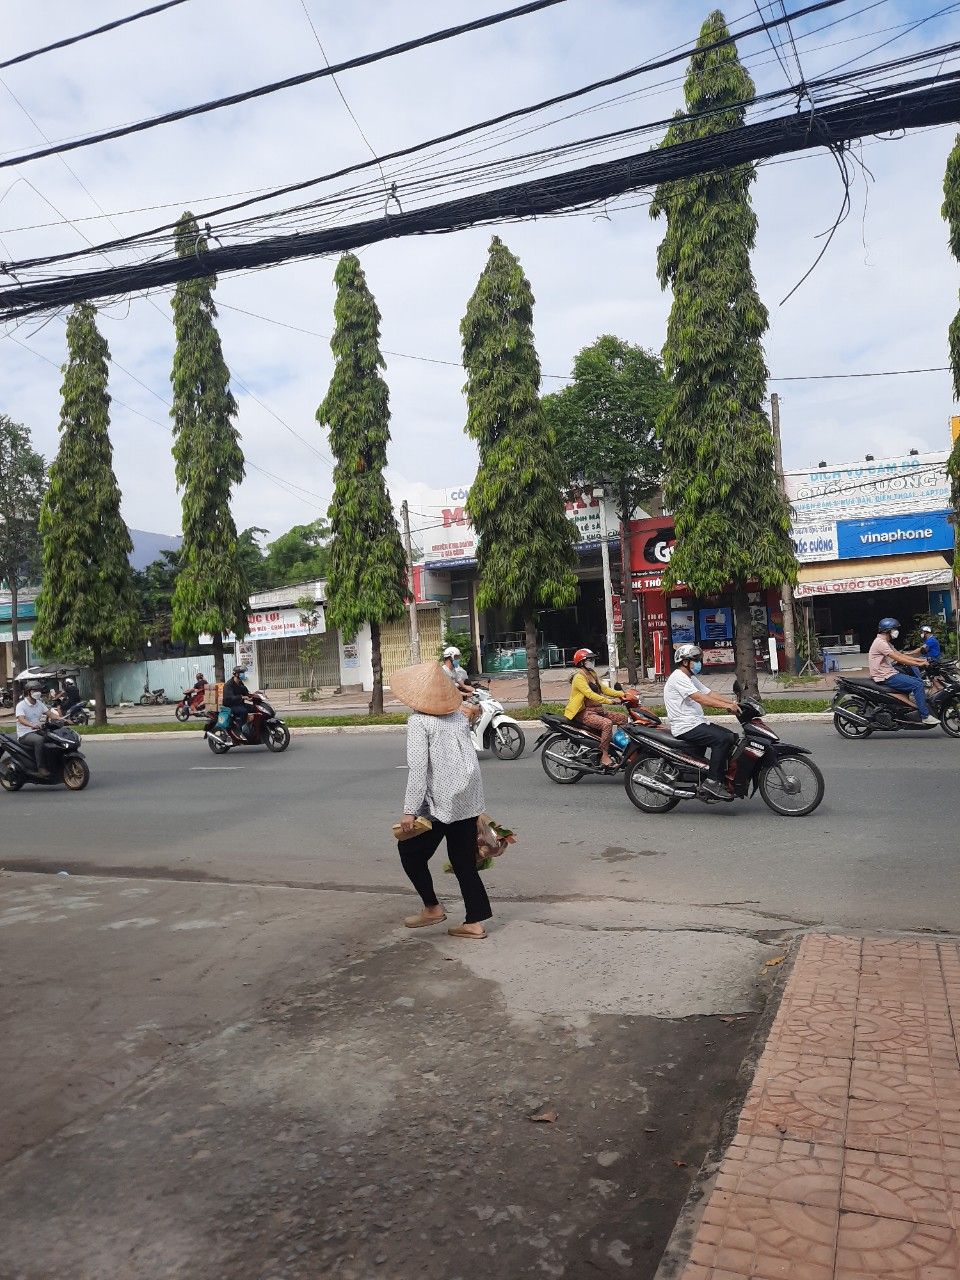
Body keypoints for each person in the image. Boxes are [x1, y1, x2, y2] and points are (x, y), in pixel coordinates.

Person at [393, 661, 492, 940]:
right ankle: (474, 922)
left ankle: (432, 908)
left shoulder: (418, 722)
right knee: (463, 862)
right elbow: (469, 760)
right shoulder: (459, 717)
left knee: (409, 852)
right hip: (466, 799)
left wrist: (410, 810)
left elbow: (418, 769)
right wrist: (477, 805)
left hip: (440, 803)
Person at [663, 644, 740, 801]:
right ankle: (712, 782)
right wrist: (726, 707)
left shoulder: (689, 678)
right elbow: (700, 698)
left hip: (696, 723)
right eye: (696, 660)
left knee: (731, 736)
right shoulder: (678, 677)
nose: (699, 663)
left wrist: (732, 703)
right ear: (685, 662)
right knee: (722, 739)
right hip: (686, 726)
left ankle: (722, 777)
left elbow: (709, 693)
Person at [563, 647, 627, 768]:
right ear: (582, 662)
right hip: (584, 713)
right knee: (607, 724)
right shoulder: (579, 677)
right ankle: (604, 755)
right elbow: (589, 694)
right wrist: (609, 701)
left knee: (623, 718)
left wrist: (623, 694)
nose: (592, 662)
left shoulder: (592, 673)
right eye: (589, 660)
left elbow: (604, 689)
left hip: (598, 711)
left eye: (592, 659)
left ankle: (621, 748)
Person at [869, 617, 937, 724]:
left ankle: (907, 709)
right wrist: (920, 663)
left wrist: (920, 661)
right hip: (885, 676)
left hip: (888, 673)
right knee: (918, 685)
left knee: (917, 681)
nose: (896, 631)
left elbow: (900, 655)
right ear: (887, 630)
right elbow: (899, 659)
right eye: (894, 629)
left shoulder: (885, 642)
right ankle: (925, 716)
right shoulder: (880, 643)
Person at [15, 680, 62, 777]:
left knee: (54, 738)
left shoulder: (39, 703)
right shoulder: (21, 705)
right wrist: (32, 725)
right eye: (34, 691)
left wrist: (61, 718)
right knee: (39, 740)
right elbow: (21, 719)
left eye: (38, 690)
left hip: (38, 730)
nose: (37, 693)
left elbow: (50, 714)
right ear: (29, 692)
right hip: (25, 734)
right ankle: (41, 768)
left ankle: (55, 763)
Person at [222, 666, 254, 738]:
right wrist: (242, 697)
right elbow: (230, 697)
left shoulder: (240, 683)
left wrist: (253, 696)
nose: (243, 674)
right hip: (230, 705)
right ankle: (238, 730)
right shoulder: (228, 685)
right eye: (241, 673)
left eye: (243, 673)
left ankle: (252, 728)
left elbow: (246, 693)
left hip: (239, 704)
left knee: (255, 708)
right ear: (236, 674)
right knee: (243, 711)